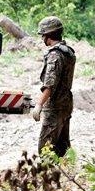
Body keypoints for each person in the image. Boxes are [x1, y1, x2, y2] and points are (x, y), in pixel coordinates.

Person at [30, 16, 76, 157]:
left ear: (48, 35)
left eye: (43, 35)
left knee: (46, 149)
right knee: (62, 147)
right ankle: (64, 175)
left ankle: (48, 176)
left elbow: (50, 84)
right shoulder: (68, 51)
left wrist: (39, 105)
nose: (42, 38)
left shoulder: (54, 55)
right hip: (66, 104)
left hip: (55, 106)